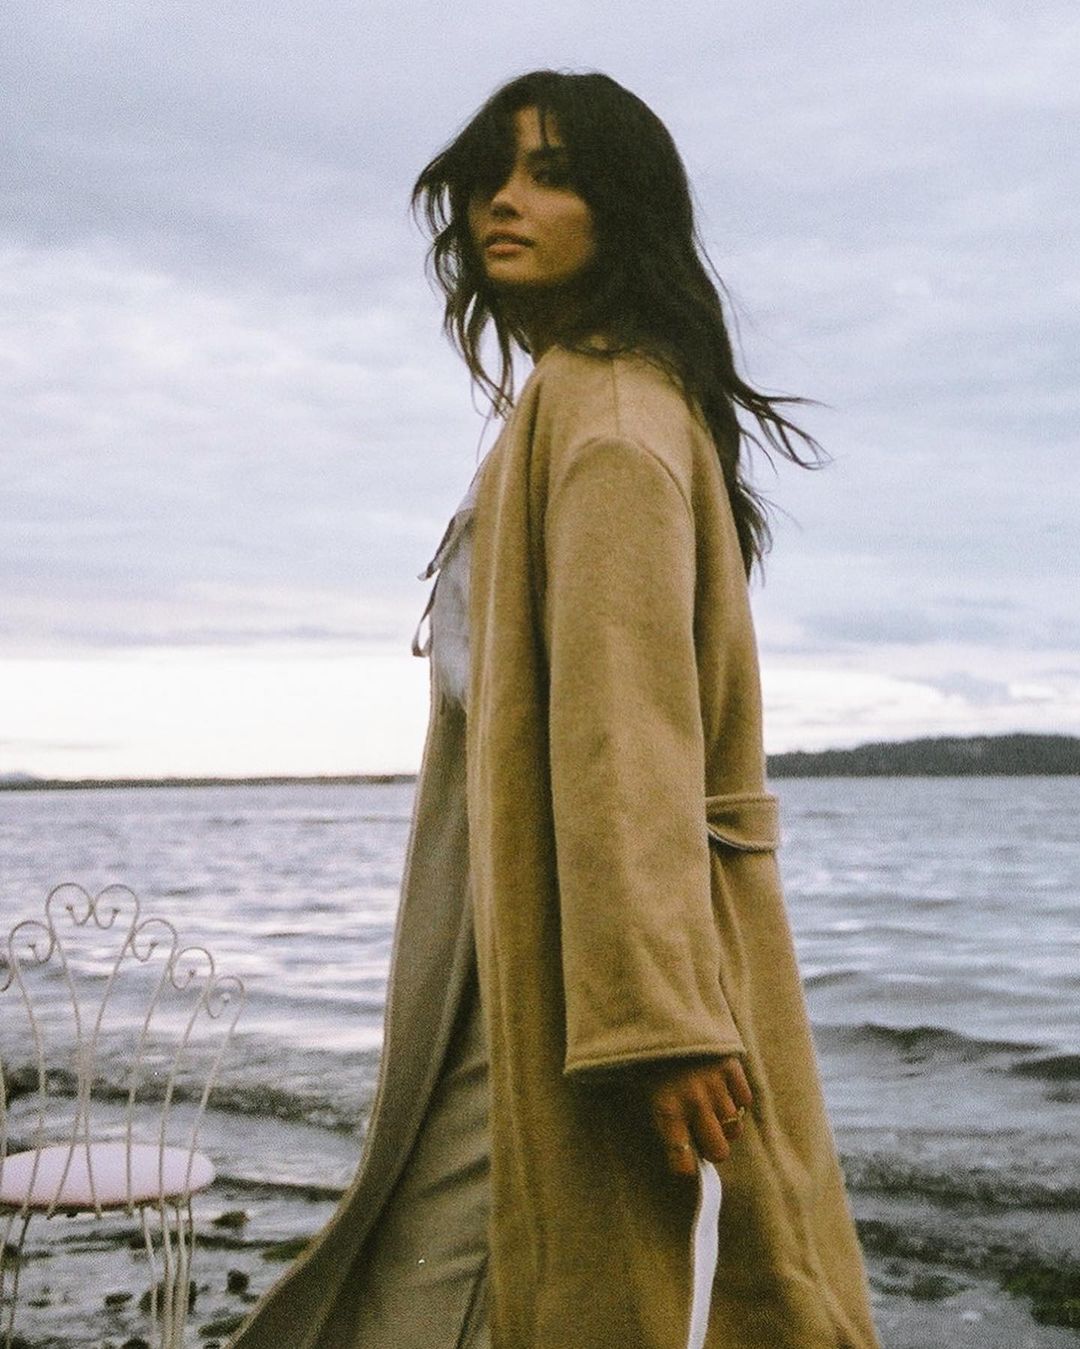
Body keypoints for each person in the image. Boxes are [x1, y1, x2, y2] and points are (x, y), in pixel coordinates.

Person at [229, 70, 880, 1349]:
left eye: (553, 175)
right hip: (534, 948)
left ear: (623, 210)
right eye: (494, 174)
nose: (504, 202)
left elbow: (625, 736)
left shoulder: (611, 420)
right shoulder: (571, 401)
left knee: (524, 1291)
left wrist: (660, 1020)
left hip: (589, 977)